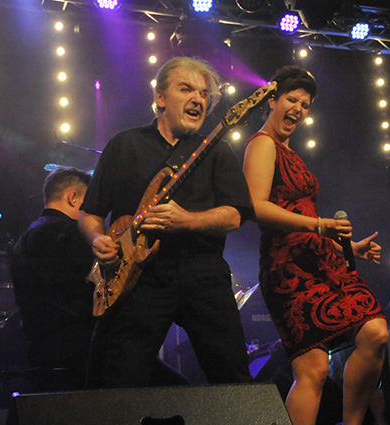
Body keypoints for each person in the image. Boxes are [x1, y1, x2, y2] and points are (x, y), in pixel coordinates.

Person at [78, 56, 253, 388]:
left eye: (204, 94)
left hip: (202, 274)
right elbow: (91, 213)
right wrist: (97, 239)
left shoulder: (217, 150)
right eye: (186, 89)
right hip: (139, 279)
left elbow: (234, 215)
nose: (198, 99)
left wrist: (187, 220)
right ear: (160, 97)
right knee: (117, 378)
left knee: (233, 377)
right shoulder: (124, 145)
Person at [243, 65, 389, 425]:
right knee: (314, 369)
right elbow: (256, 207)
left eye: (305, 105)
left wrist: (349, 249)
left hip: (323, 260)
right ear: (272, 100)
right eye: (292, 99)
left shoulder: (290, 152)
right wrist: (320, 225)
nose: (298, 109)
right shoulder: (262, 144)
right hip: (287, 267)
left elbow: (305, 219)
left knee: (375, 333)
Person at [10, 167, 95, 391]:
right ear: (73, 198)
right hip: (81, 351)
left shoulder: (23, 241)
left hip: (39, 351)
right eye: (89, 203)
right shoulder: (72, 234)